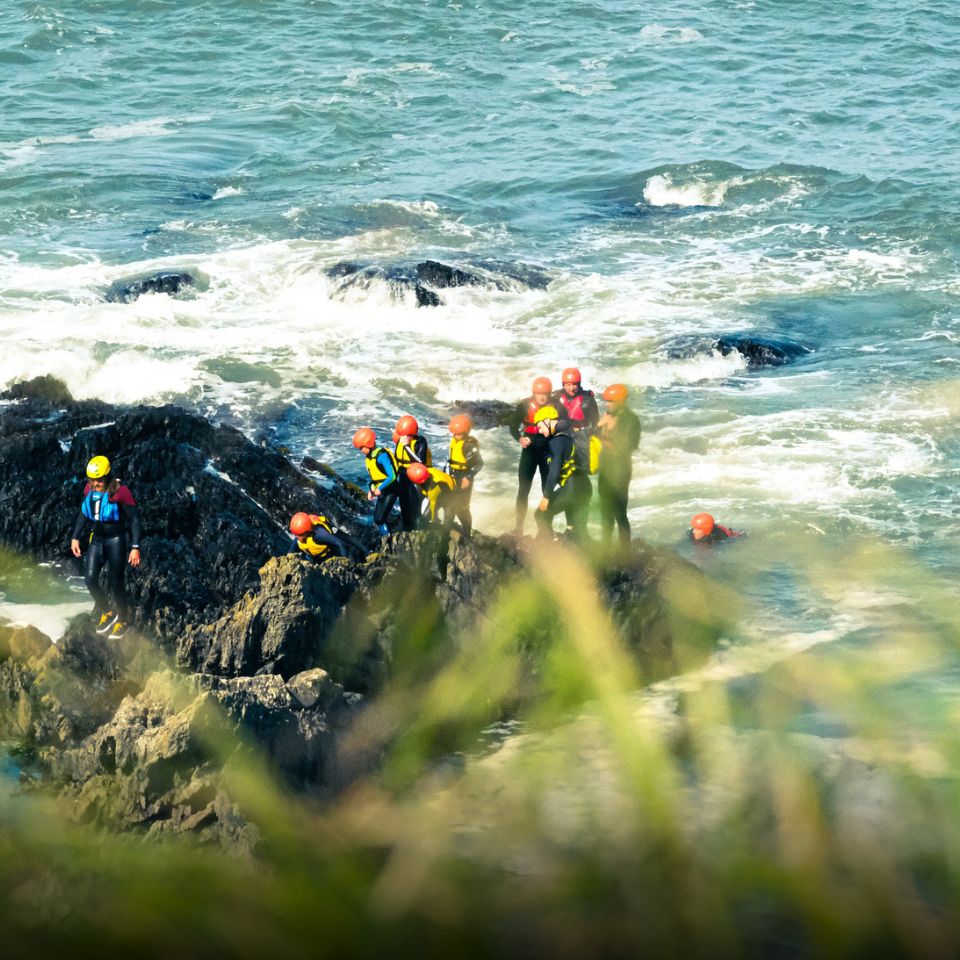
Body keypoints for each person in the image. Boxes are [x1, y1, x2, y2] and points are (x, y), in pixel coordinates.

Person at [69, 455, 141, 639]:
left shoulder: (121, 492)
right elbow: (84, 513)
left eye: (99, 479)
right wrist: (75, 537)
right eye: (92, 479)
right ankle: (107, 612)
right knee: (90, 579)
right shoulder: (89, 489)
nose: (95, 483)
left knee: (116, 582)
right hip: (98, 539)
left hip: (117, 540)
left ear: (107, 476)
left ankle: (123, 619)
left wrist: (135, 547)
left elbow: (134, 519)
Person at [532, 406, 592, 542]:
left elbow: (554, 469)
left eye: (540, 426)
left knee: (540, 515)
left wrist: (546, 496)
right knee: (577, 531)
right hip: (585, 488)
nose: (540, 431)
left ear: (547, 420)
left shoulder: (557, 440)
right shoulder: (571, 432)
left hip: (572, 489)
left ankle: (552, 548)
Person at [596, 383, 641, 546]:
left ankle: (624, 550)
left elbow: (629, 446)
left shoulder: (631, 420)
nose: (607, 404)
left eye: (611, 401)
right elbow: (594, 436)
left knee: (619, 512)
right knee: (605, 512)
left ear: (622, 401)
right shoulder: (607, 415)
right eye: (606, 401)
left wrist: (607, 433)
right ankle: (605, 547)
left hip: (620, 471)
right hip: (605, 469)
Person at [509, 376, 555, 534]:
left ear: (550, 394)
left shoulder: (556, 405)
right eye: (539, 393)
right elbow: (513, 426)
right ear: (533, 393)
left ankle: (546, 529)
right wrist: (520, 439)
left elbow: (565, 425)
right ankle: (519, 527)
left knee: (546, 491)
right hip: (529, 452)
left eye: (545, 394)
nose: (542, 397)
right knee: (523, 490)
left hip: (547, 453)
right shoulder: (524, 405)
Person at [353, 427, 399, 536]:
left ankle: (389, 541)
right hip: (381, 491)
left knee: (380, 519)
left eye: (361, 448)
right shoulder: (369, 458)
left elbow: (392, 476)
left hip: (391, 490)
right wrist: (371, 489)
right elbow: (375, 478)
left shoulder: (382, 456)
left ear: (368, 443)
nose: (361, 451)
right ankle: (388, 537)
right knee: (377, 519)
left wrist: (380, 488)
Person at [445, 414, 483, 536]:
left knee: (462, 507)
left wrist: (469, 477)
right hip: (453, 475)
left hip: (464, 477)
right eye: (454, 433)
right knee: (450, 504)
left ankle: (467, 534)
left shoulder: (469, 445)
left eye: (458, 433)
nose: (456, 435)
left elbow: (479, 464)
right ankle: (446, 530)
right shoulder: (455, 441)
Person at [394, 414, 432, 532]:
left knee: (416, 505)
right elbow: (396, 458)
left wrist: (406, 447)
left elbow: (420, 462)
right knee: (404, 504)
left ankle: (419, 529)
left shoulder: (421, 442)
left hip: (416, 477)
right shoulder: (401, 440)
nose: (405, 438)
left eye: (408, 435)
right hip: (403, 476)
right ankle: (406, 529)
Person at [405, 462, 457, 528]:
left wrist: (432, 520)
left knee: (446, 524)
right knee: (426, 517)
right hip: (442, 491)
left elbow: (433, 505)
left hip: (449, 495)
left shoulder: (433, 488)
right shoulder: (429, 470)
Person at [552, 367, 599, 433]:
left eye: (574, 385)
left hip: (581, 434)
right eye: (568, 385)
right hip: (562, 433)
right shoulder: (556, 397)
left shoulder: (588, 400)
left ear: (579, 384)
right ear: (564, 385)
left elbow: (596, 423)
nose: (571, 388)